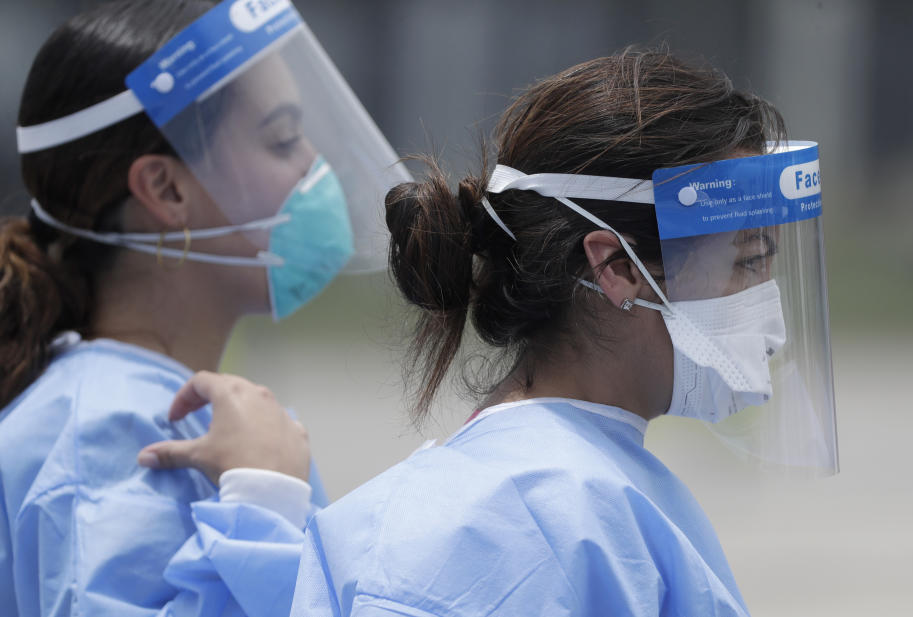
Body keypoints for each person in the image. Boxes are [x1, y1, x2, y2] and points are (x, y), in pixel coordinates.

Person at [147, 48, 838, 616]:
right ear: (617, 266)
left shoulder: (568, 483)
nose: (767, 310)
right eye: (747, 261)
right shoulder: (532, 517)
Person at [0, 1, 407, 616]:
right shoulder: (109, 431)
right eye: (282, 138)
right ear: (167, 190)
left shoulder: (142, 407)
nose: (313, 168)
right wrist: (264, 505)